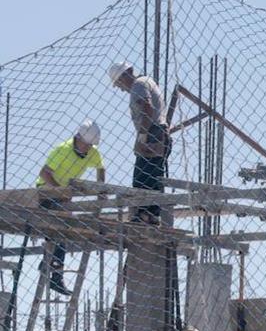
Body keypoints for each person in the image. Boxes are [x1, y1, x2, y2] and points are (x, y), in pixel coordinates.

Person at [35, 119, 105, 295]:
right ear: (79, 138)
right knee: (62, 227)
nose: (88, 148)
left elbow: (101, 168)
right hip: (46, 190)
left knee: (61, 231)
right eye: (87, 144)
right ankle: (55, 273)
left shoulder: (92, 153)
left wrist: (101, 188)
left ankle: (50, 265)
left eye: (91, 145)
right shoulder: (62, 150)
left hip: (63, 196)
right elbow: (44, 172)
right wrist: (60, 191)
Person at [108, 62, 169, 223]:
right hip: (160, 134)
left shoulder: (138, 85)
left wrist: (142, 136)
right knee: (153, 177)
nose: (121, 88)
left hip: (152, 134)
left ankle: (143, 215)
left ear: (124, 76)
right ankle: (151, 215)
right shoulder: (147, 81)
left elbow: (147, 109)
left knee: (141, 178)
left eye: (119, 83)